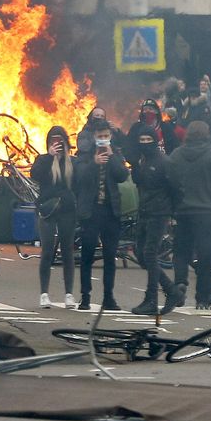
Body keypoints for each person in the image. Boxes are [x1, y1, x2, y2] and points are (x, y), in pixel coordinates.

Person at [165, 120, 211, 309]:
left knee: (180, 251)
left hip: (182, 211)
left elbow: (168, 181)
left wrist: (172, 208)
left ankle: (180, 283)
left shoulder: (176, 155)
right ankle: (203, 297)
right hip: (208, 212)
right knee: (207, 255)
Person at [74, 118, 129, 310]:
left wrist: (112, 156)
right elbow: (78, 178)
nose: (103, 140)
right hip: (91, 211)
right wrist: (94, 163)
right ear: (94, 137)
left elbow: (122, 175)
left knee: (110, 255)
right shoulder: (85, 155)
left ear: (110, 136)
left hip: (110, 211)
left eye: (106, 136)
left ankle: (108, 297)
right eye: (100, 137)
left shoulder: (116, 153)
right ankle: (85, 296)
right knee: (87, 254)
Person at [129, 130, 180, 315]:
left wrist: (172, 212)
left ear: (155, 141)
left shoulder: (164, 162)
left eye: (148, 139)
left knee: (149, 253)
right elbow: (138, 181)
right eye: (141, 139)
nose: (144, 142)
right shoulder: (143, 160)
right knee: (140, 253)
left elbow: (176, 188)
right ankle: (172, 290)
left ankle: (152, 299)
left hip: (159, 213)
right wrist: (134, 164)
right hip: (144, 211)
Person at [30, 125, 79, 308]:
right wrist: (49, 156)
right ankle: (44, 293)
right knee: (47, 251)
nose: (57, 144)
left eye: (60, 141)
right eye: (53, 141)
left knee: (67, 251)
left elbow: (78, 184)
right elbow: (35, 175)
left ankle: (69, 294)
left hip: (67, 210)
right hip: (47, 209)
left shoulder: (72, 162)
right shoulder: (43, 159)